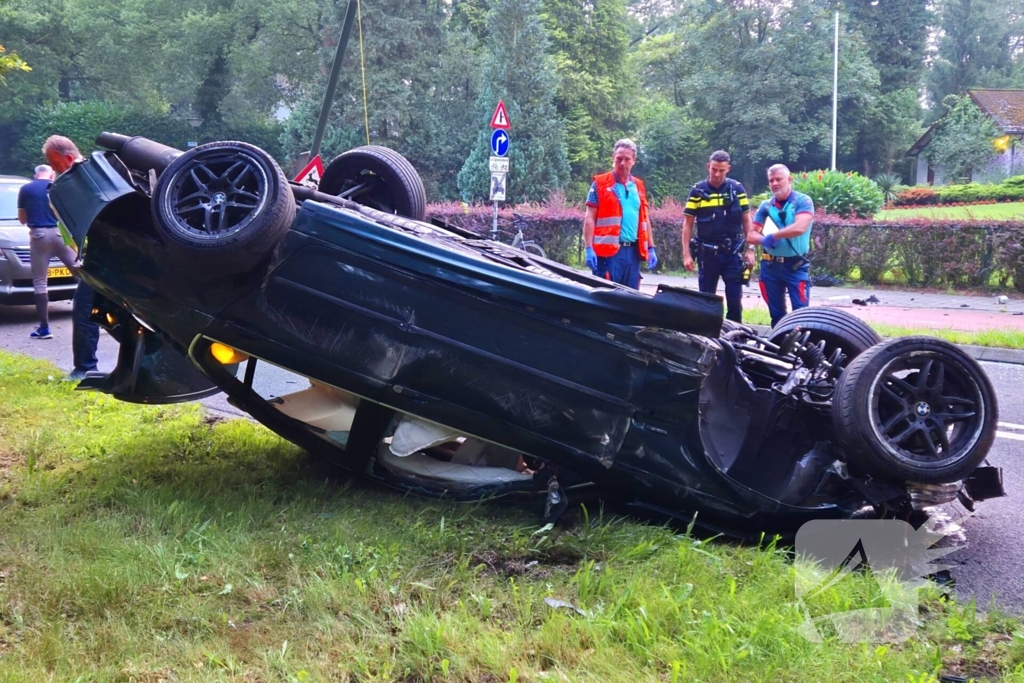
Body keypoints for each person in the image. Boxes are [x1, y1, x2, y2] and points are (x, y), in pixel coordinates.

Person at [42, 135, 100, 380]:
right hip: (100, 256)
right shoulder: (93, 175)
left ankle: (86, 368)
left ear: (68, 159)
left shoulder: (81, 181)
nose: (54, 172)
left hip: (103, 258)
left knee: (85, 308)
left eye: (55, 166)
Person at [681, 150, 756, 323]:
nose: (717, 174)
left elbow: (747, 220)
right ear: (708, 167)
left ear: (728, 169)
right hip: (707, 255)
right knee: (706, 303)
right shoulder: (697, 191)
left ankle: (736, 340)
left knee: (735, 302)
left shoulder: (737, 189)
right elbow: (688, 224)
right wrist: (686, 254)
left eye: (721, 170)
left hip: (732, 254)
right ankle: (707, 339)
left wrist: (750, 249)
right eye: (714, 169)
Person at [583, 138, 657, 289]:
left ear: (634, 160)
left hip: (633, 253)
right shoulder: (600, 184)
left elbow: (644, 219)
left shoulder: (638, 185)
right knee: (606, 300)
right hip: (608, 254)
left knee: (631, 300)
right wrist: (588, 248)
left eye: (627, 159)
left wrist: (651, 247)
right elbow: (589, 218)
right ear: (613, 158)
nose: (622, 163)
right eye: (619, 159)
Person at [17, 164, 80, 340]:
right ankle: (96, 318)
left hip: (39, 237)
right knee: (82, 275)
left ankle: (44, 328)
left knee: (40, 282)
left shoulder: (26, 189)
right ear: (51, 175)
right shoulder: (58, 186)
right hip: (61, 235)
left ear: (35, 175)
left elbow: (22, 219)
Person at [748, 164, 815, 327]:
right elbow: (751, 234)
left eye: (779, 179)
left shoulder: (803, 201)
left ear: (789, 179)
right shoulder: (766, 206)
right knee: (776, 314)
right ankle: (778, 347)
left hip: (796, 266)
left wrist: (774, 235)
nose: (775, 183)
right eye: (771, 180)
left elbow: (800, 227)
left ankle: (801, 350)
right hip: (770, 266)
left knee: (801, 314)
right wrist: (762, 241)